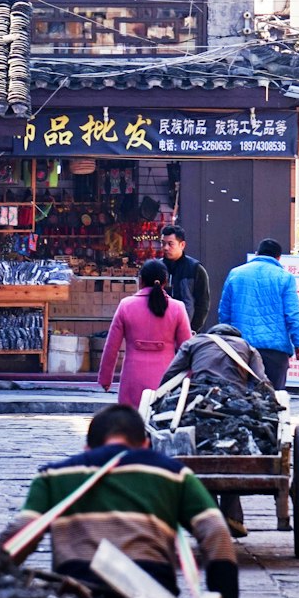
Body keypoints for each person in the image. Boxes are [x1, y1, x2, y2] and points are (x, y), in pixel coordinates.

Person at [0, 403, 242, 598]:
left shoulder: (54, 475)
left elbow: (21, 534)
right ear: (146, 445)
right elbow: (216, 534)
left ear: (87, 449)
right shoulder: (174, 475)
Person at [162, 321, 268, 538]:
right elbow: (261, 381)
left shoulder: (194, 343)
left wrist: (160, 397)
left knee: (203, 448)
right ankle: (232, 517)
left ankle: (210, 514)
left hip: (199, 401)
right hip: (236, 403)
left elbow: (170, 375)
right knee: (236, 446)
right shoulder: (247, 347)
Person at [98, 259, 192, 407]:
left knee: (131, 424)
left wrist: (105, 379)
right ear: (165, 281)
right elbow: (187, 350)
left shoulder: (126, 306)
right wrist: (189, 379)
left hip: (132, 379)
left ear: (140, 281)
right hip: (166, 381)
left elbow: (111, 347)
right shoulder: (177, 308)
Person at [217, 238, 299, 391]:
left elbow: (224, 313)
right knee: (274, 399)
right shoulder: (285, 277)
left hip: (241, 349)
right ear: (278, 258)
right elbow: (292, 314)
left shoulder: (235, 274)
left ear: (257, 254)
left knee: (241, 397)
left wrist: (226, 341)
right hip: (275, 351)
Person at [160, 225, 211, 331]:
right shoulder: (157, 268)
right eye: (163, 243)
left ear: (182, 245)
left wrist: (193, 328)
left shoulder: (195, 269)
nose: (165, 248)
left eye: (170, 244)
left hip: (187, 329)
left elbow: (203, 303)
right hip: (161, 329)